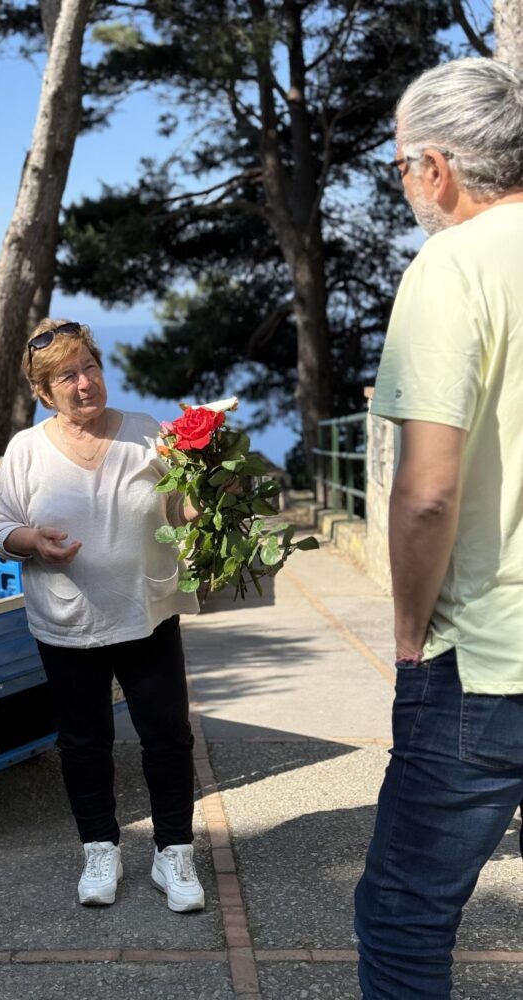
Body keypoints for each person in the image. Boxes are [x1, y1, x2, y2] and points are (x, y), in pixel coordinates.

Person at [354, 58, 523, 999]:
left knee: (405, 914)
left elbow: (426, 493)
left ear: (439, 166)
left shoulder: (452, 265)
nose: (406, 185)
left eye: (400, 166)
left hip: (491, 656)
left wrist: (412, 637)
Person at [0, 318, 206, 912]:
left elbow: (179, 507)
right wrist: (31, 540)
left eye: (90, 367)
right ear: (45, 392)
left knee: (167, 736)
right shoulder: (26, 450)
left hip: (147, 611)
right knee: (84, 742)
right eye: (67, 376)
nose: (85, 383)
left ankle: (174, 853)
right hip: (66, 620)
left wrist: (214, 492)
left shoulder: (147, 435)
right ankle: (99, 848)